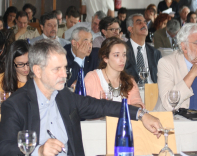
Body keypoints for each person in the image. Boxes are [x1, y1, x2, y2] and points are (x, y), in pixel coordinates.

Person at [0, 39, 162, 156]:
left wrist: (141, 114)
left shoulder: (64, 97)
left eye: (64, 68)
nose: (64, 75)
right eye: (57, 69)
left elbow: (102, 106)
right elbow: (4, 148)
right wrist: (39, 151)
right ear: (38, 70)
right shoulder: (15, 104)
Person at [85, 37, 144, 108]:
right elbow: (84, 107)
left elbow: (138, 106)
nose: (122, 60)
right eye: (116, 55)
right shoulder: (92, 78)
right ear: (105, 58)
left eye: (124, 55)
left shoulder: (130, 81)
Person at [154, 23, 197, 111]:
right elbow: (168, 104)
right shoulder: (166, 63)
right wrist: (192, 73)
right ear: (184, 47)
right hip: (173, 121)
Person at [125, 14, 162, 84]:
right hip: (131, 90)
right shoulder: (122, 51)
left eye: (145, 22)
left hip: (153, 90)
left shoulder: (155, 53)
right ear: (130, 29)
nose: (144, 25)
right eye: (139, 23)